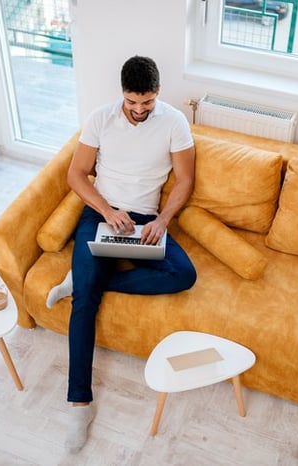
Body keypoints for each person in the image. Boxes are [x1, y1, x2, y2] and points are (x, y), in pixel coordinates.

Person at [45, 55, 197, 453]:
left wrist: (162, 219)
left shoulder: (174, 122)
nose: (139, 110)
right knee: (84, 307)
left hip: (147, 221)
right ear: (122, 94)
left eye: (147, 102)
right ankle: (79, 404)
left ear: (157, 93)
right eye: (133, 102)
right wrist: (108, 212)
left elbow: (185, 180)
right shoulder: (100, 119)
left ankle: (86, 278)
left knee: (184, 274)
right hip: (102, 214)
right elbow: (75, 175)